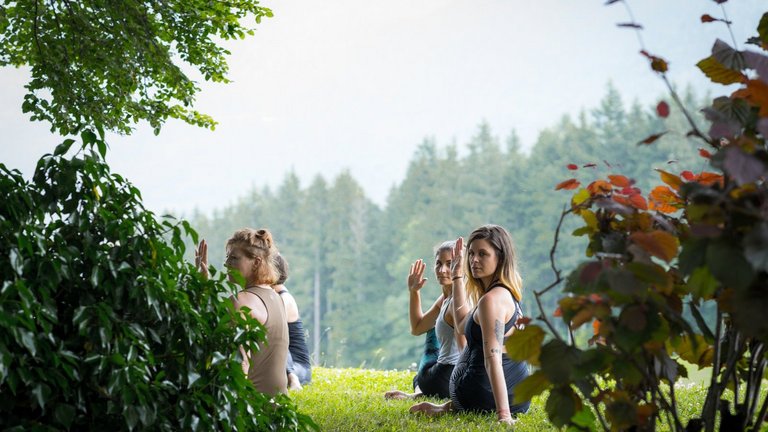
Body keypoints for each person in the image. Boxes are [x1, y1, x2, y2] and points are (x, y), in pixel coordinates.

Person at [410, 224, 531, 424]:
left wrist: (504, 416)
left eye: (483, 254)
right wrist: (457, 277)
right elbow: (463, 324)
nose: (474, 260)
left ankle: (453, 407)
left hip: (483, 397)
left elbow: (493, 359)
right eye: (472, 253)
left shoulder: (490, 300)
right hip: (518, 398)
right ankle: (447, 407)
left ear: (500, 257)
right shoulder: (505, 293)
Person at [195, 228, 289, 396]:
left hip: (253, 411)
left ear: (257, 262)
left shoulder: (241, 301)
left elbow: (240, 364)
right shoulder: (276, 297)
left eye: (234, 258)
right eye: (227, 257)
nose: (226, 264)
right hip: (280, 409)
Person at [384, 241, 464, 400]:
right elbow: (417, 327)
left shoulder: (460, 301)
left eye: (450, 264)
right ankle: (420, 392)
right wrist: (414, 292)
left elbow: (465, 350)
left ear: (461, 266)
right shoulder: (445, 298)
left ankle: (420, 393)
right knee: (419, 377)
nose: (442, 270)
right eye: (438, 264)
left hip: (448, 377)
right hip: (439, 377)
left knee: (433, 332)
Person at [271, 253, 312, 389]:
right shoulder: (273, 296)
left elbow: (278, 338)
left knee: (276, 340)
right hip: (282, 363)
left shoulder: (284, 298)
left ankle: (292, 379)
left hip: (297, 366)